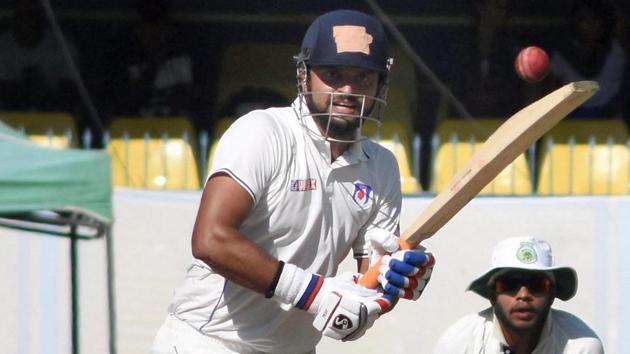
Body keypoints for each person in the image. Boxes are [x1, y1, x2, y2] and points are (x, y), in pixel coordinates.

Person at [150, 9, 435, 354]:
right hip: (210, 340)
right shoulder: (263, 132)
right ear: (304, 75)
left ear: (380, 83)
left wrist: (393, 280)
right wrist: (317, 293)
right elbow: (211, 240)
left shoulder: (383, 167)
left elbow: (368, 279)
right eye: (333, 74)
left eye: (362, 77)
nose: (348, 90)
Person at [433, 236, 604, 353]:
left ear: (551, 293)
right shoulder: (460, 343)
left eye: (537, 284)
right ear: (492, 294)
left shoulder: (581, 346)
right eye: (510, 283)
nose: (523, 294)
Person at [548, 0, 628, 119]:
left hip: (613, 119)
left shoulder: (617, 49)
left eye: (595, 19)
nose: (591, 25)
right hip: (573, 120)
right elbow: (549, 91)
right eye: (584, 19)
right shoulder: (562, 56)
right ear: (575, 23)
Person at [0, 0, 80, 111]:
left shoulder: (63, 46)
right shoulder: (3, 46)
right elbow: (4, 93)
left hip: (54, 116)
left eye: (31, 14)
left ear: (41, 18)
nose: (26, 20)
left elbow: (69, 94)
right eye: (22, 15)